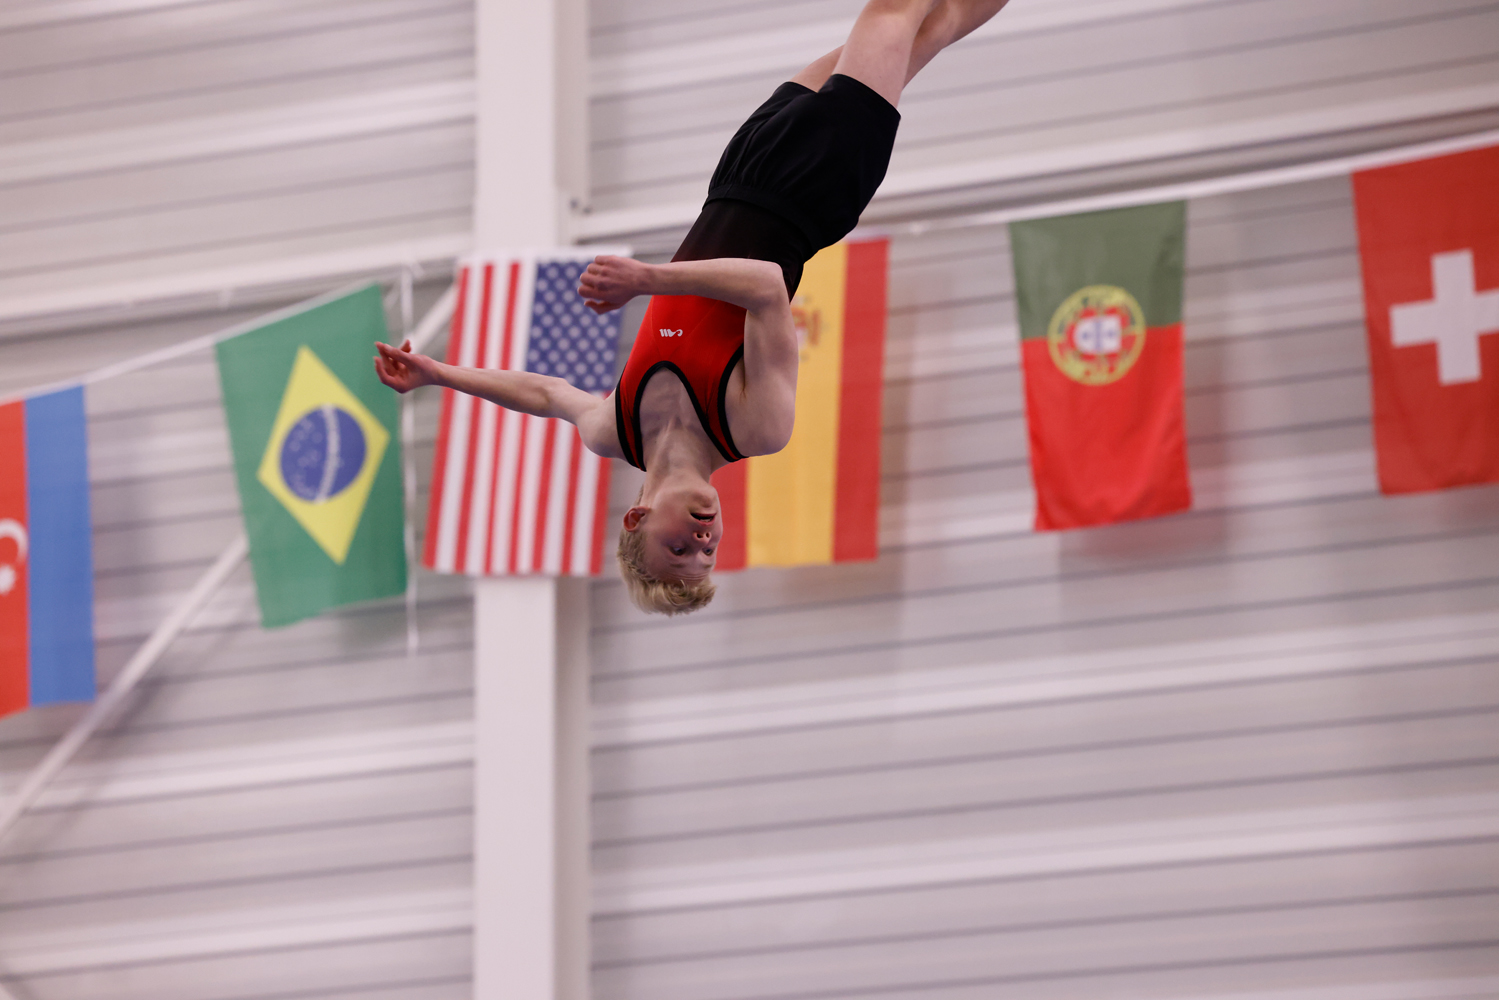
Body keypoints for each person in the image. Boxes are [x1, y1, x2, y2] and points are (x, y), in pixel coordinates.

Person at [375, 0, 1011, 615]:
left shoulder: (612, 431)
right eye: (708, 553)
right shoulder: (755, 426)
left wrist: (439, 374)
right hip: (815, 184)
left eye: (679, 548)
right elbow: (766, 286)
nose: (703, 540)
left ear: (637, 517)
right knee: (895, 14)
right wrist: (648, 279)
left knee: (932, 29)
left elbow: (542, 394)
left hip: (736, 174)